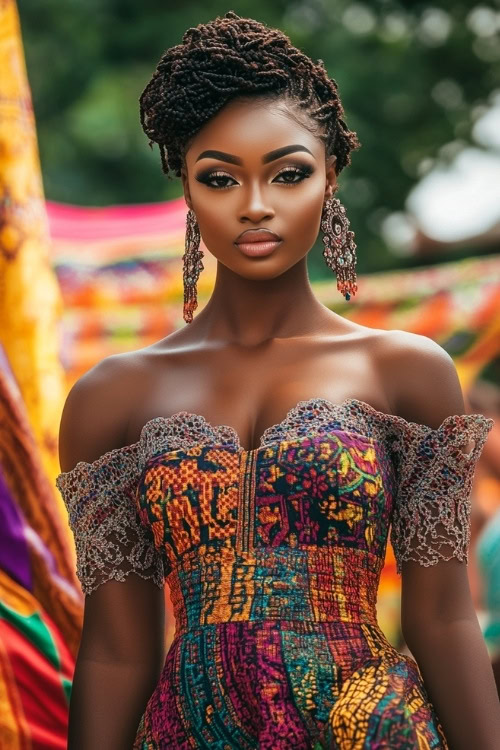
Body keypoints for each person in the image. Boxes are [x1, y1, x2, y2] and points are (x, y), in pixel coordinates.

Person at [55, 11, 500, 749]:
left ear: (330, 177)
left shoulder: (406, 373)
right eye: (220, 177)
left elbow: (443, 617)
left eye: (287, 173)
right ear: (188, 191)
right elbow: (116, 647)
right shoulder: (112, 397)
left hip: (371, 730)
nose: (255, 205)